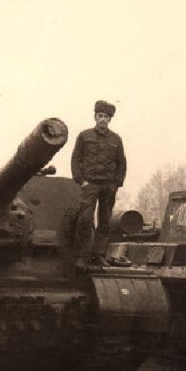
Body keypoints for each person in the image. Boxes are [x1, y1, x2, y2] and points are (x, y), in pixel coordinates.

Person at [71, 100, 126, 268]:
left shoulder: (116, 139)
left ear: (110, 119)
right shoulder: (84, 136)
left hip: (108, 186)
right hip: (90, 184)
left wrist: (116, 184)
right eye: (100, 116)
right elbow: (75, 158)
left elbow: (121, 162)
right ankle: (81, 256)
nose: (102, 119)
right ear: (95, 117)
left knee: (105, 221)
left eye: (106, 117)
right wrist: (81, 180)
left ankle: (99, 255)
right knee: (85, 219)